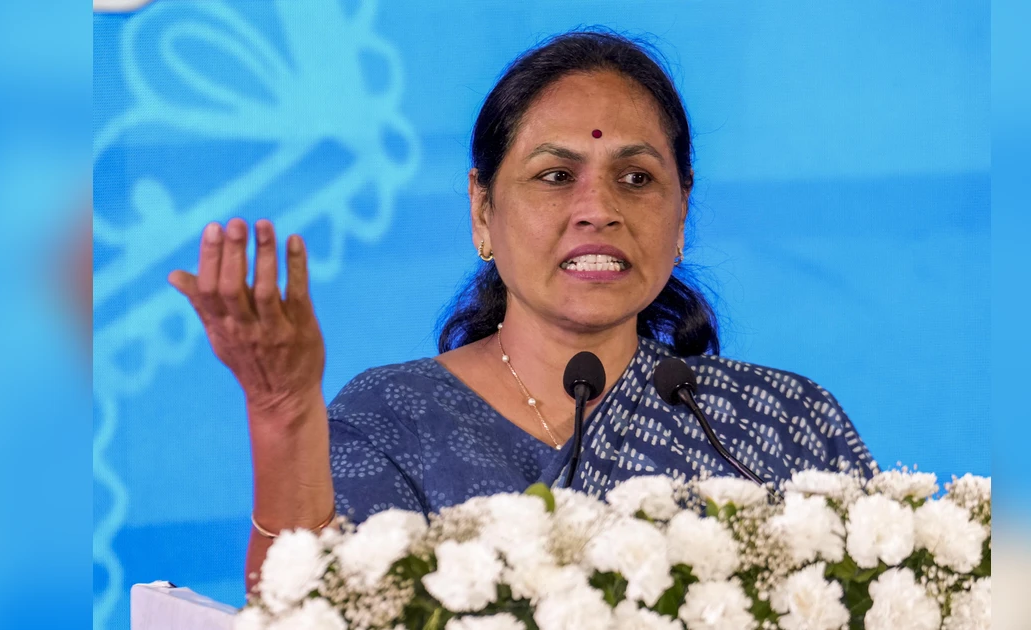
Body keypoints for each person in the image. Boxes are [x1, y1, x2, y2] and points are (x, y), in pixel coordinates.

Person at [168, 30, 875, 591]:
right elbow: (309, 610)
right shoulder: (393, 422)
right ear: (483, 211)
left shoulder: (785, 424)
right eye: (556, 176)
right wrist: (284, 414)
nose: (598, 209)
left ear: (681, 211)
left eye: (636, 178)